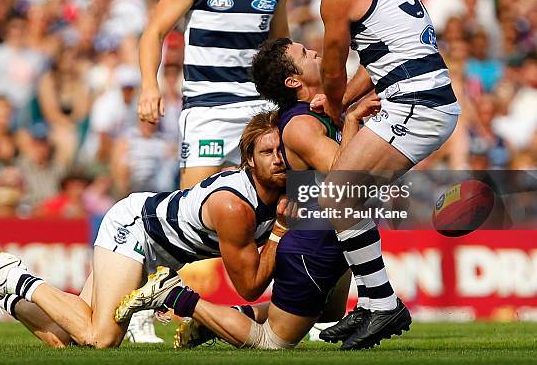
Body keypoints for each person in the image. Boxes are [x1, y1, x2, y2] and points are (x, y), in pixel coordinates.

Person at [0, 112, 290, 350]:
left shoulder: (280, 190)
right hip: (136, 227)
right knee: (102, 338)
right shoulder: (235, 206)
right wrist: (280, 230)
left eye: (283, 151)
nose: (278, 159)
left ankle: (6, 294)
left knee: (69, 339)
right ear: (249, 159)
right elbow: (248, 286)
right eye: (267, 151)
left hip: (156, 242)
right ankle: (12, 276)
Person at [156, 39, 386, 351]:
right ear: (293, 80)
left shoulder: (317, 111)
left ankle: (237, 316)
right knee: (271, 343)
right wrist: (352, 120)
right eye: (305, 53)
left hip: (330, 237)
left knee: (330, 312)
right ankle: (179, 298)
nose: (316, 51)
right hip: (312, 244)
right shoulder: (303, 124)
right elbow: (345, 178)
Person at [302, 0, 460, 349]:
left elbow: (332, 70)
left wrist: (334, 104)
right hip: (423, 98)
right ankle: (374, 304)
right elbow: (384, 57)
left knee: (337, 194)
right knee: (345, 199)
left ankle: (383, 303)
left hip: (417, 103)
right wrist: (344, 100)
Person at [138, 0, 290, 190]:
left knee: (282, 201)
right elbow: (153, 32)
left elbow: (280, 46)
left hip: (259, 105)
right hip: (208, 106)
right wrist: (148, 87)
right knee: (194, 207)